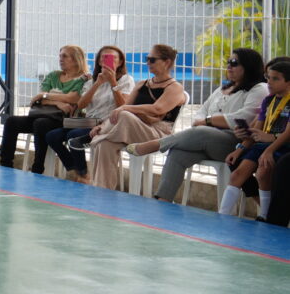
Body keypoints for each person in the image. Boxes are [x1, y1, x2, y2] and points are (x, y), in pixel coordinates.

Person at [133, 49, 268, 203]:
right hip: (206, 140)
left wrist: (208, 122)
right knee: (178, 152)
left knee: (202, 131)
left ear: (248, 66)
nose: (229, 66)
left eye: (234, 63)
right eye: (228, 62)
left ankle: (157, 145)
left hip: (236, 143)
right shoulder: (223, 89)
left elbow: (242, 117)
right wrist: (206, 121)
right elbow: (201, 112)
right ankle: (162, 200)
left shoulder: (259, 89)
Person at [78, 44, 187, 190]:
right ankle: (101, 192)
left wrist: (125, 108)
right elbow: (125, 105)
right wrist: (102, 125)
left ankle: (95, 137)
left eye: (152, 60)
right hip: (130, 129)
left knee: (123, 114)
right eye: (147, 59)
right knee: (104, 145)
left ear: (166, 62)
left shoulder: (175, 87)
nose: (148, 63)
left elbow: (157, 108)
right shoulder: (142, 84)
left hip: (156, 134)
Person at [45, 45, 135, 182]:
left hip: (108, 124)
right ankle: (77, 170)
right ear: (99, 61)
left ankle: (83, 174)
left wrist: (112, 83)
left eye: (112, 58)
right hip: (88, 122)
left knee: (73, 136)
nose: (107, 61)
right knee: (52, 136)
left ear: (120, 62)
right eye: (104, 58)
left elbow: (123, 105)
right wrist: (97, 83)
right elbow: (81, 105)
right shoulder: (91, 80)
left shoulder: (126, 80)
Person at [0, 45, 89, 174]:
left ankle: (38, 166)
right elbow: (38, 99)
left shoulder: (83, 79)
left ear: (75, 59)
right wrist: (57, 102)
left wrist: (46, 96)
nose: (60, 59)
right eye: (60, 56)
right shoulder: (53, 76)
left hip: (64, 120)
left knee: (41, 123)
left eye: (65, 56)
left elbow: (73, 98)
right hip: (43, 115)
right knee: (12, 121)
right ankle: (6, 165)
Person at [218, 56, 290, 217]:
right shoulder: (268, 101)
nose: (269, 83)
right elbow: (258, 128)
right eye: (267, 78)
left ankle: (265, 216)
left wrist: (270, 147)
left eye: (275, 79)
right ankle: (222, 215)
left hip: (282, 146)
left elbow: (287, 133)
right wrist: (241, 147)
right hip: (263, 145)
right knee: (237, 170)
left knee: (263, 172)